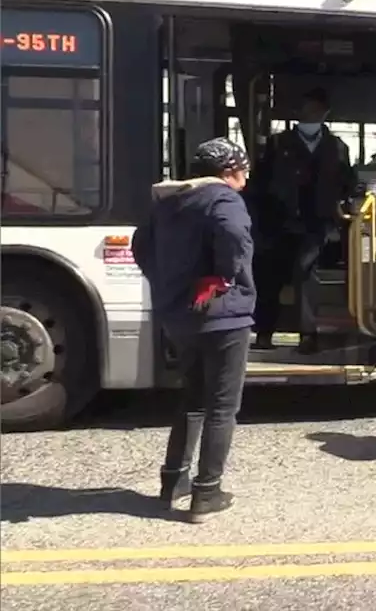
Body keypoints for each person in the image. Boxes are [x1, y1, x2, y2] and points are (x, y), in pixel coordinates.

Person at [131, 137, 256, 523]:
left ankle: (173, 482)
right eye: (244, 169)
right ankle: (207, 493)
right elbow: (235, 236)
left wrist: (168, 286)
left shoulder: (169, 201)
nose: (246, 176)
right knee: (223, 405)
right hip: (223, 315)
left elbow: (140, 244)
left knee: (193, 399)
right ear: (230, 171)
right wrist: (223, 275)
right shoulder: (223, 199)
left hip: (180, 316)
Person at [248, 87, 356, 354]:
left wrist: (338, 209)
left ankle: (308, 336)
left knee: (307, 277)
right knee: (270, 278)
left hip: (316, 224)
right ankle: (264, 332)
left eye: (316, 110)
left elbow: (346, 182)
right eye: (306, 110)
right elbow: (259, 183)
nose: (311, 115)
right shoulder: (277, 143)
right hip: (278, 222)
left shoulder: (337, 147)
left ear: (325, 113)